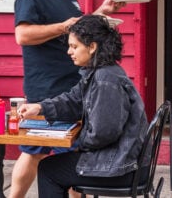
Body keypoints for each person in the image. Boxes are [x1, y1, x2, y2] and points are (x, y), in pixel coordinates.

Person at [10, 0, 124, 198]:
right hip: (49, 88)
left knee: (44, 153)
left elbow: (77, 31)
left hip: (73, 86)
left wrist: (100, 14)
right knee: (43, 153)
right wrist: (63, 26)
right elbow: (22, 35)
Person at [17, 15, 147, 197]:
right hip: (120, 161)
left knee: (49, 170)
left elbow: (104, 133)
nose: (69, 52)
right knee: (52, 167)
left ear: (92, 47)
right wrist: (40, 108)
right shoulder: (99, 73)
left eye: (74, 46)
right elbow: (72, 100)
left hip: (122, 168)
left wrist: (78, 143)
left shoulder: (105, 80)